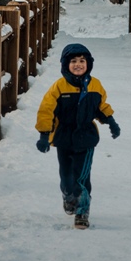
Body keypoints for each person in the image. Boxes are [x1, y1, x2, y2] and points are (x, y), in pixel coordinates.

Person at [35, 42, 120, 229]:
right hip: (63, 137)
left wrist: (111, 122)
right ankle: (68, 196)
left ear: (88, 63)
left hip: (85, 137)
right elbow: (46, 110)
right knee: (66, 176)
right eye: (73, 61)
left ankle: (82, 211)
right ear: (66, 65)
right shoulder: (59, 86)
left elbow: (101, 106)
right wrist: (44, 135)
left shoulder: (95, 85)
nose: (78, 64)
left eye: (82, 60)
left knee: (81, 177)